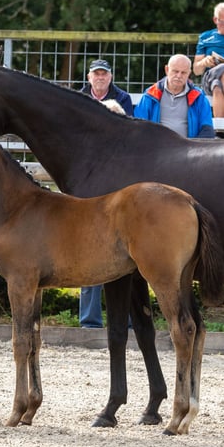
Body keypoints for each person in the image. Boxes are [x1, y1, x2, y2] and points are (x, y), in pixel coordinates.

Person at [78, 59, 134, 329]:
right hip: (93, 197)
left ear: (110, 77)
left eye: (104, 73)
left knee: (133, 259)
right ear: (89, 77)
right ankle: (89, 321)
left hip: (120, 194)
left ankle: (133, 320)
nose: (100, 77)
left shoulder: (123, 100)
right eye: (96, 74)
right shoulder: (77, 98)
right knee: (90, 253)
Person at [134, 54, 215, 138]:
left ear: (189, 73)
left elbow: (207, 130)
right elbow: (138, 127)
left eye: (183, 72)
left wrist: (196, 150)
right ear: (167, 70)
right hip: (156, 148)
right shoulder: (150, 95)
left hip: (188, 149)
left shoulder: (199, 98)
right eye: (175, 71)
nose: (179, 76)